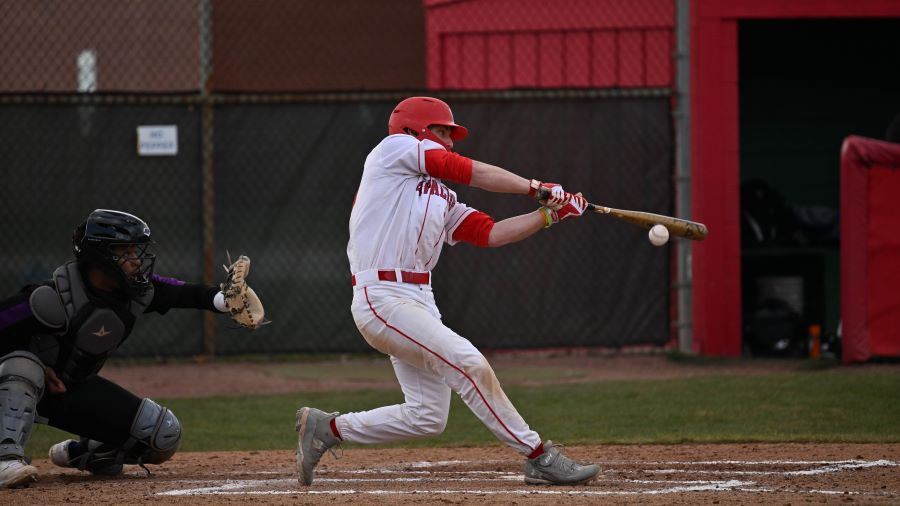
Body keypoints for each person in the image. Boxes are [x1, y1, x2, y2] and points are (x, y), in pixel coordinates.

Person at [295, 97, 600, 486]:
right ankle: (539, 456)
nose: (450, 142)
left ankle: (328, 429)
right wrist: (536, 188)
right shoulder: (393, 150)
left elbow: (489, 233)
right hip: (382, 296)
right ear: (416, 130)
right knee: (468, 362)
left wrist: (549, 215)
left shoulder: (439, 196)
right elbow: (459, 168)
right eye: (442, 132)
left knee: (427, 416)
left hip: (419, 301)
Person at [0, 209, 262, 488]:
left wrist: (224, 299)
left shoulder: (135, 292)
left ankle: (86, 454)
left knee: (163, 435)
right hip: (20, 388)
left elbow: (181, 292)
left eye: (136, 250)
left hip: (73, 389)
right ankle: (6, 458)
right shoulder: (49, 299)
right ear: (100, 256)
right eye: (125, 251)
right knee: (24, 367)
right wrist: (39, 365)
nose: (136, 259)